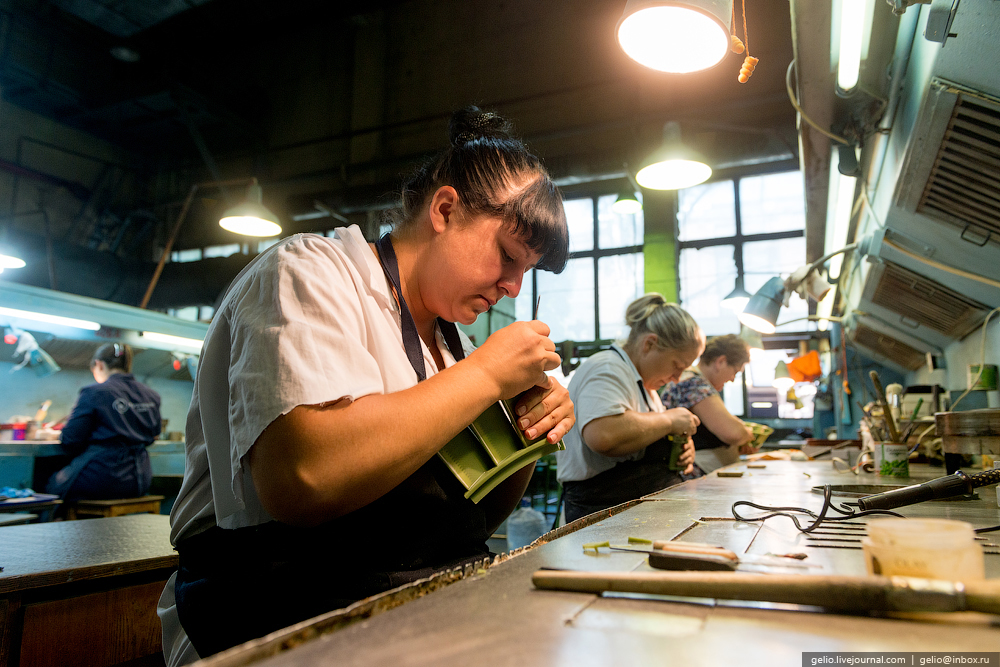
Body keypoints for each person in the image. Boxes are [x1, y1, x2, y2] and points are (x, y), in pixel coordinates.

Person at [157, 106, 575, 665]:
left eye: (527, 271)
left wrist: (528, 425)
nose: (512, 286)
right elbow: (304, 479)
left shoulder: (451, 349)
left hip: (410, 602)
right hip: (274, 608)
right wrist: (486, 377)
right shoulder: (309, 272)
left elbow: (469, 516)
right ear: (445, 210)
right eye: (507, 255)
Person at [555, 294, 705, 523]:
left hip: (632, 510)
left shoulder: (647, 389)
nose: (676, 378)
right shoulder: (606, 368)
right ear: (650, 344)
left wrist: (681, 448)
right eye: (677, 366)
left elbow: (643, 432)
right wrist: (670, 421)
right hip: (601, 510)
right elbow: (603, 434)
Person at [46, 343, 161, 500]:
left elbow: (70, 440)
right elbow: (153, 435)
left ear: (99, 365)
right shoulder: (151, 395)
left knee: (49, 485)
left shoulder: (94, 392)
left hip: (104, 477)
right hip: (140, 479)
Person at [661, 333, 754, 474]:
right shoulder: (694, 383)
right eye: (734, 372)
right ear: (720, 362)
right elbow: (733, 433)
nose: (732, 379)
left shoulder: (694, 381)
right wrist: (748, 434)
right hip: (688, 475)